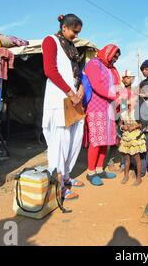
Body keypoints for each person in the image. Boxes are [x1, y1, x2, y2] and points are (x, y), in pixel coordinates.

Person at [41, 14, 85, 200]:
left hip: (73, 100)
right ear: (65, 27)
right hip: (60, 99)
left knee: (74, 139)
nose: (76, 35)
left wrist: (80, 86)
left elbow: (76, 72)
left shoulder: (71, 47)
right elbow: (50, 70)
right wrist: (70, 93)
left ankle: (66, 177)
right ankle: (58, 186)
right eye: (74, 31)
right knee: (60, 142)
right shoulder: (50, 41)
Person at [83, 44, 121, 186]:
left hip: (109, 108)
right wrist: (115, 95)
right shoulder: (94, 64)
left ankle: (100, 170)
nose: (115, 60)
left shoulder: (111, 69)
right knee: (96, 140)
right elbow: (97, 85)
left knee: (106, 140)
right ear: (107, 53)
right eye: (114, 56)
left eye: (117, 58)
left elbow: (117, 86)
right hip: (96, 107)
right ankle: (91, 172)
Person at [105, 70, 137, 173]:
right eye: (124, 77)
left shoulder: (135, 92)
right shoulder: (119, 91)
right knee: (116, 142)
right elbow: (117, 104)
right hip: (118, 119)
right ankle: (111, 162)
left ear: (132, 79)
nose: (125, 79)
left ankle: (126, 164)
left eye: (128, 77)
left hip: (131, 120)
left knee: (129, 142)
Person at [118, 94, 146, 186]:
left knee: (137, 158)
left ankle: (139, 178)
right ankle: (126, 176)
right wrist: (123, 127)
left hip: (135, 136)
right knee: (126, 158)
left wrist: (134, 126)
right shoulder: (124, 112)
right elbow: (120, 123)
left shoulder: (137, 112)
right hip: (126, 136)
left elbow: (142, 124)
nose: (128, 100)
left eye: (131, 99)